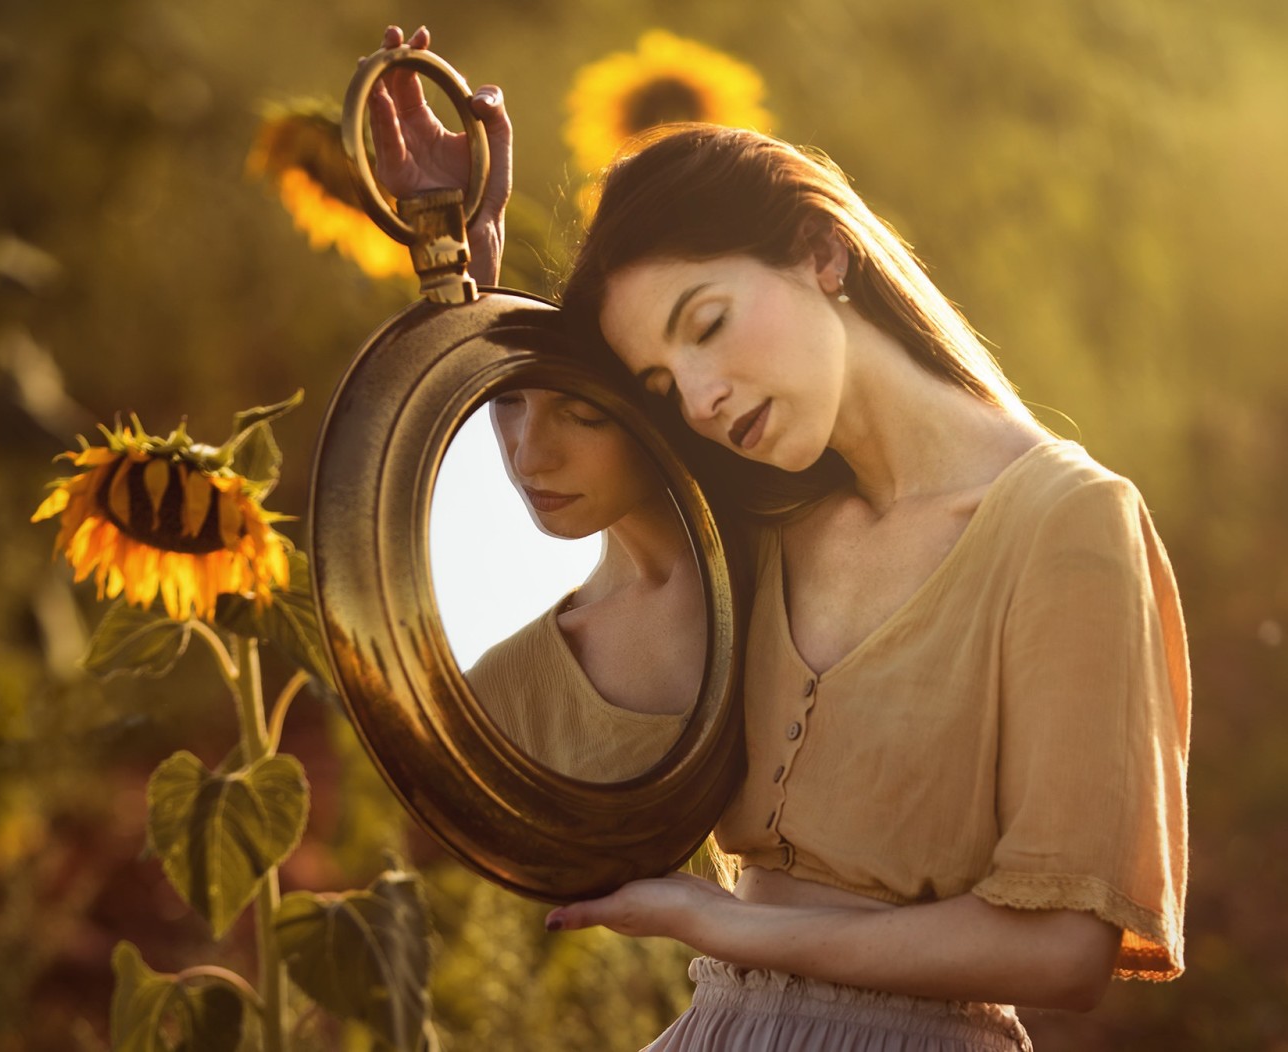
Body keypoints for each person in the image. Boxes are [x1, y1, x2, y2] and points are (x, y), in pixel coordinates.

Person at [369, 26, 1189, 1051]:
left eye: (705, 323)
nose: (701, 399)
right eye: (661, 387)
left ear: (821, 251)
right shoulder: (757, 518)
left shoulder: (1065, 525)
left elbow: (1063, 949)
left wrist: (729, 921)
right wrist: (461, 266)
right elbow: (559, 443)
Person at [463, 388, 704, 781]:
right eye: (506, 398)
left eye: (584, 410)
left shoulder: (809, 543)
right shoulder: (494, 701)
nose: (527, 457)